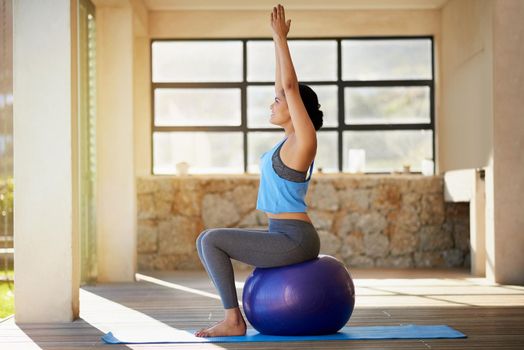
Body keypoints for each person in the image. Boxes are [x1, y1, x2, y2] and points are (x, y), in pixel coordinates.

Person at [194, 4, 324, 337]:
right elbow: (286, 86)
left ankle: (234, 320)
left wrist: (282, 40)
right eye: (275, 99)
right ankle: (233, 318)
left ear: (298, 112)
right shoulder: (287, 141)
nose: (274, 102)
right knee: (207, 239)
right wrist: (274, 39)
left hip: (295, 239)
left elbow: (291, 89)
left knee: (210, 241)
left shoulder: (304, 142)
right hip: (277, 233)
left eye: (278, 102)